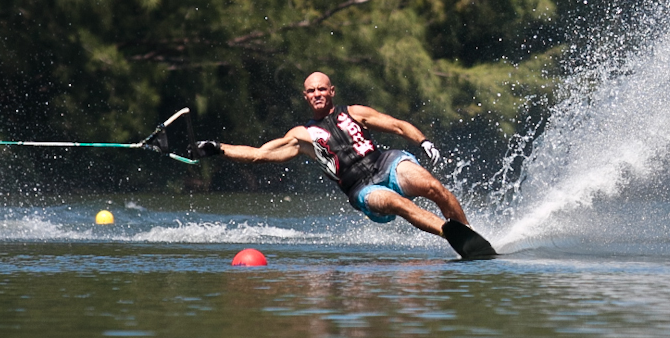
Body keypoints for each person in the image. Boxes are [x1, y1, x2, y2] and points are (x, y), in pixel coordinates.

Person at [189, 72, 496, 259]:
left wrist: (424, 142)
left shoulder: (355, 112)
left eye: (322, 89)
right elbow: (259, 154)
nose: (317, 94)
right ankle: (449, 233)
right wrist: (218, 148)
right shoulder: (302, 136)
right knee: (396, 202)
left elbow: (398, 125)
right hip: (361, 188)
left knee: (433, 187)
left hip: (385, 163)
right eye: (311, 91)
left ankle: (469, 236)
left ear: (331, 91)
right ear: (305, 97)